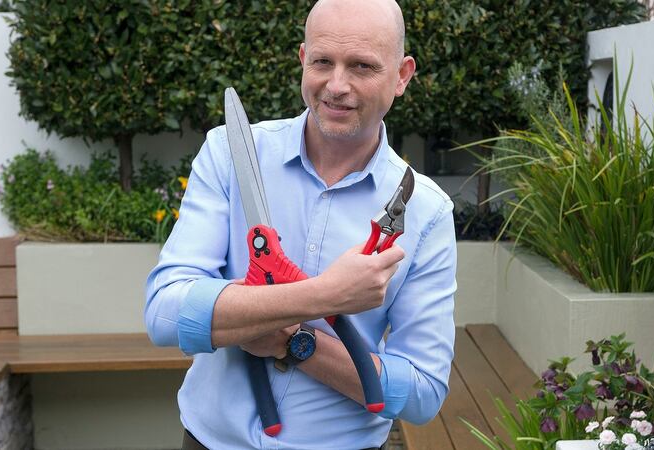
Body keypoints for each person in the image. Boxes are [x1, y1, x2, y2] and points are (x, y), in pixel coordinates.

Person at [145, 0, 457, 448]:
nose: (337, 85)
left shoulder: (427, 212)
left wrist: (292, 339)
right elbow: (163, 314)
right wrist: (326, 295)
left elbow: (422, 394)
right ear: (302, 60)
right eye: (322, 62)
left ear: (402, 75)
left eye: (363, 67)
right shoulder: (231, 155)